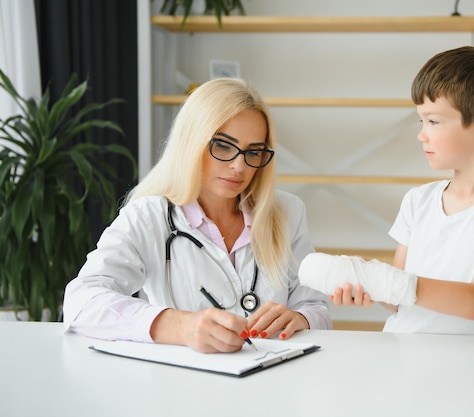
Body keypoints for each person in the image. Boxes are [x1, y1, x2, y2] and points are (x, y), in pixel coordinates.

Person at [63, 78, 331, 352]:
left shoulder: (288, 212)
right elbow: (81, 302)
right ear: (191, 141)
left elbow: (316, 308)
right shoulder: (148, 216)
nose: (239, 166)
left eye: (253, 152)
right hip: (186, 386)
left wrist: (300, 319)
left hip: (274, 377)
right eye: (224, 146)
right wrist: (181, 326)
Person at [299, 46, 474, 336]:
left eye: (433, 121)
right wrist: (366, 281)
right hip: (403, 351)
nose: (421, 134)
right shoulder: (419, 200)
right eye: (422, 120)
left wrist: (386, 280)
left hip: (472, 365)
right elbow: (398, 300)